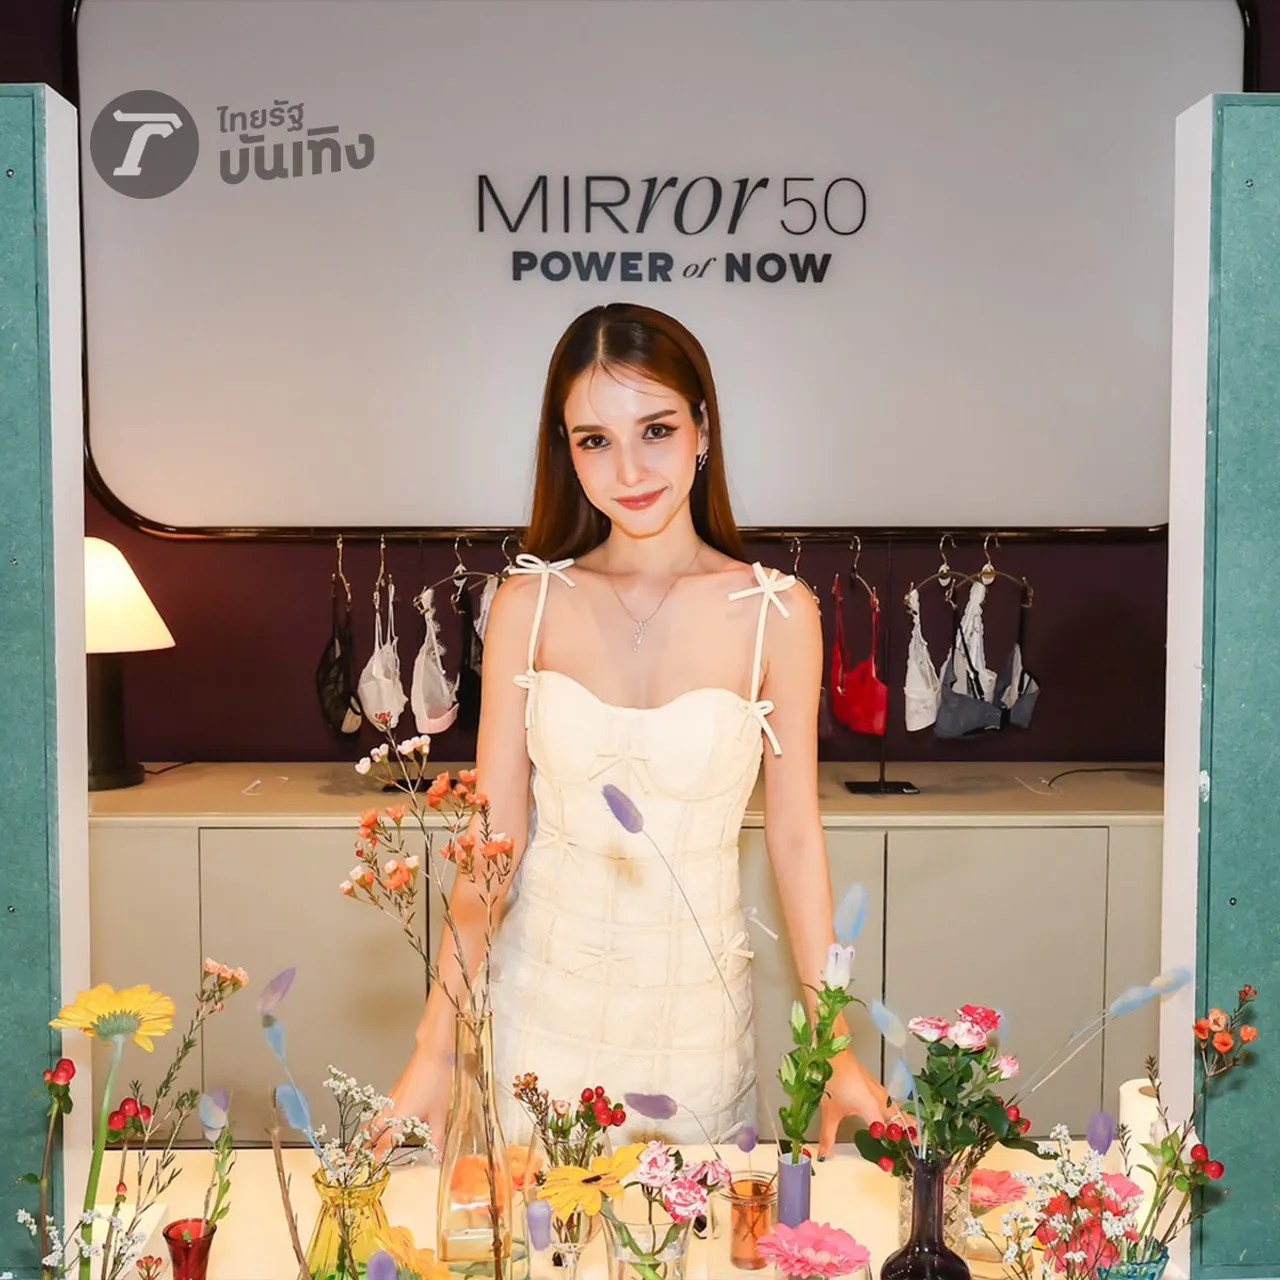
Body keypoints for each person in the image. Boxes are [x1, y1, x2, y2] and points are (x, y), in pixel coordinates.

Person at [389, 301, 890, 1153]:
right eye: (595, 440)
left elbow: (797, 842)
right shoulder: (526, 604)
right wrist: (435, 1048)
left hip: (693, 1031)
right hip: (539, 1022)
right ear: (567, 450)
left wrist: (835, 1050)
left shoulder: (778, 613)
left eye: (655, 429)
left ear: (703, 429)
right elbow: (492, 845)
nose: (628, 469)